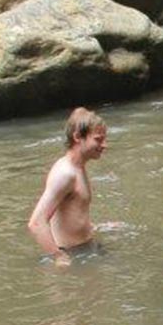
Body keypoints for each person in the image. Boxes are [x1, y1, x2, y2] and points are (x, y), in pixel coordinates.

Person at [28, 107, 108, 265]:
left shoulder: (78, 167)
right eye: (98, 139)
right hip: (74, 256)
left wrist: (95, 226)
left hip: (86, 249)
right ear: (78, 137)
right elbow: (36, 223)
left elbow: (71, 212)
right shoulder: (65, 174)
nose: (105, 145)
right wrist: (58, 256)